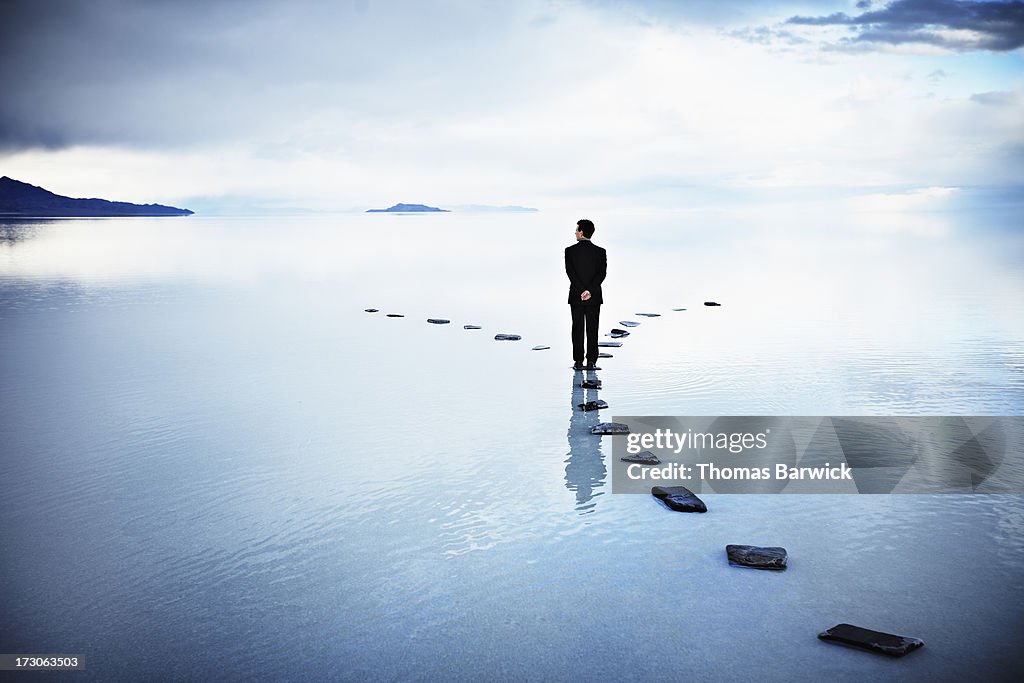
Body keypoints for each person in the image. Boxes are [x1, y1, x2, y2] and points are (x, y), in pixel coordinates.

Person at [565, 218, 607, 371]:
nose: (575, 232)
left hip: (576, 295)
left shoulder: (569, 251)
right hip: (594, 296)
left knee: (577, 329)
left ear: (581, 232)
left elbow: (571, 274)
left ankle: (578, 361)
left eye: (576, 230)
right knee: (592, 328)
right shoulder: (600, 252)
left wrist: (582, 290)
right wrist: (589, 290)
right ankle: (591, 361)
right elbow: (601, 275)